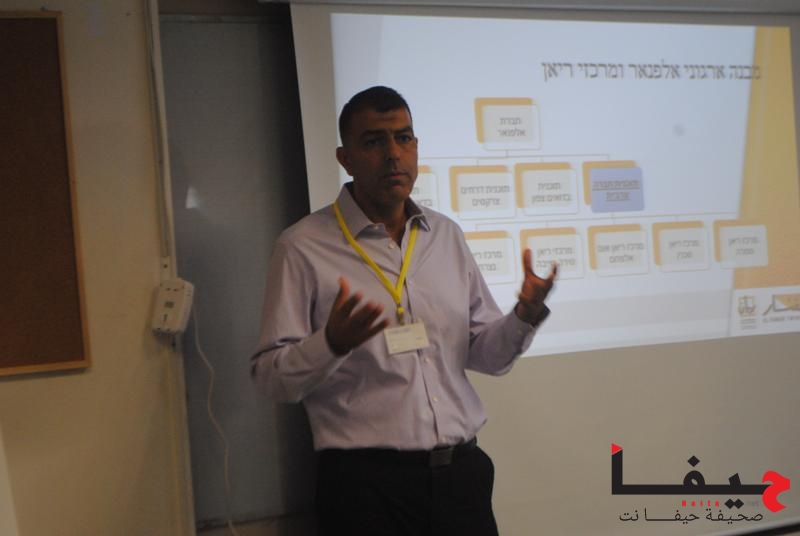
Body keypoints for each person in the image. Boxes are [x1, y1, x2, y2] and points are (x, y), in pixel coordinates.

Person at [251, 86, 556, 536]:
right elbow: (271, 378)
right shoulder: (302, 247)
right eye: (374, 141)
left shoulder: (445, 236)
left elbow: (486, 355)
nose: (393, 154)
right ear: (345, 158)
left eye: (404, 138)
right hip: (366, 489)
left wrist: (523, 315)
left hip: (461, 478)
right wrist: (329, 344)